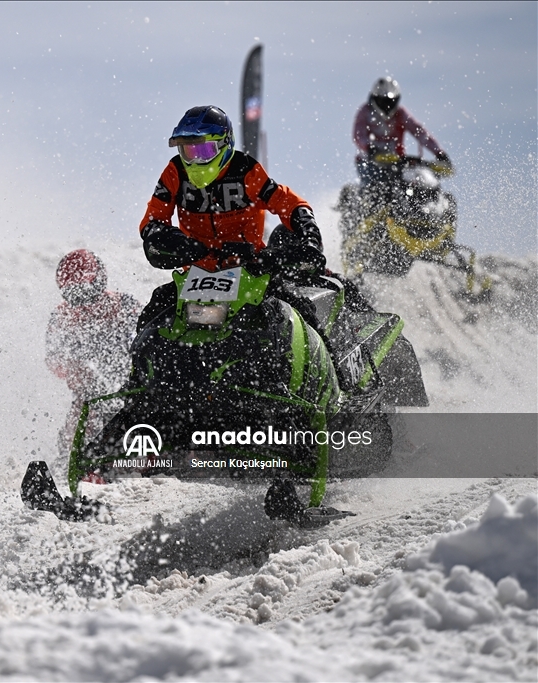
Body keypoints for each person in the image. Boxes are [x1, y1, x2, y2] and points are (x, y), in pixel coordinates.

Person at [137, 105, 327, 330]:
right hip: (195, 277)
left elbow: (290, 203)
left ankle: (332, 362)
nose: (195, 160)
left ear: (224, 145)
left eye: (203, 151)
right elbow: (151, 221)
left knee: (301, 316)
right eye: (188, 151)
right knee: (150, 320)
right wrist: (177, 243)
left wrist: (310, 237)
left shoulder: (245, 170)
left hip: (251, 272)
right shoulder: (175, 172)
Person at [45, 249, 141, 454]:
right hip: (89, 391)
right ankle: (72, 459)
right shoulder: (61, 316)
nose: (84, 301)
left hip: (131, 384)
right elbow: (53, 359)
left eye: (87, 290)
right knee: (77, 423)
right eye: (74, 295)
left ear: (100, 282)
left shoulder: (125, 305)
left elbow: (147, 343)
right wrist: (77, 372)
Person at [353, 77, 450, 186]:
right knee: (373, 185)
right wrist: (369, 148)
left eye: (390, 102)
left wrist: (439, 153)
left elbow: (420, 132)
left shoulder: (401, 114)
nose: (386, 106)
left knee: (420, 183)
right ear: (374, 98)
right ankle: (365, 200)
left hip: (398, 162)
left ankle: (437, 202)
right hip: (368, 161)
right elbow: (358, 135)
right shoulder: (365, 112)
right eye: (382, 101)